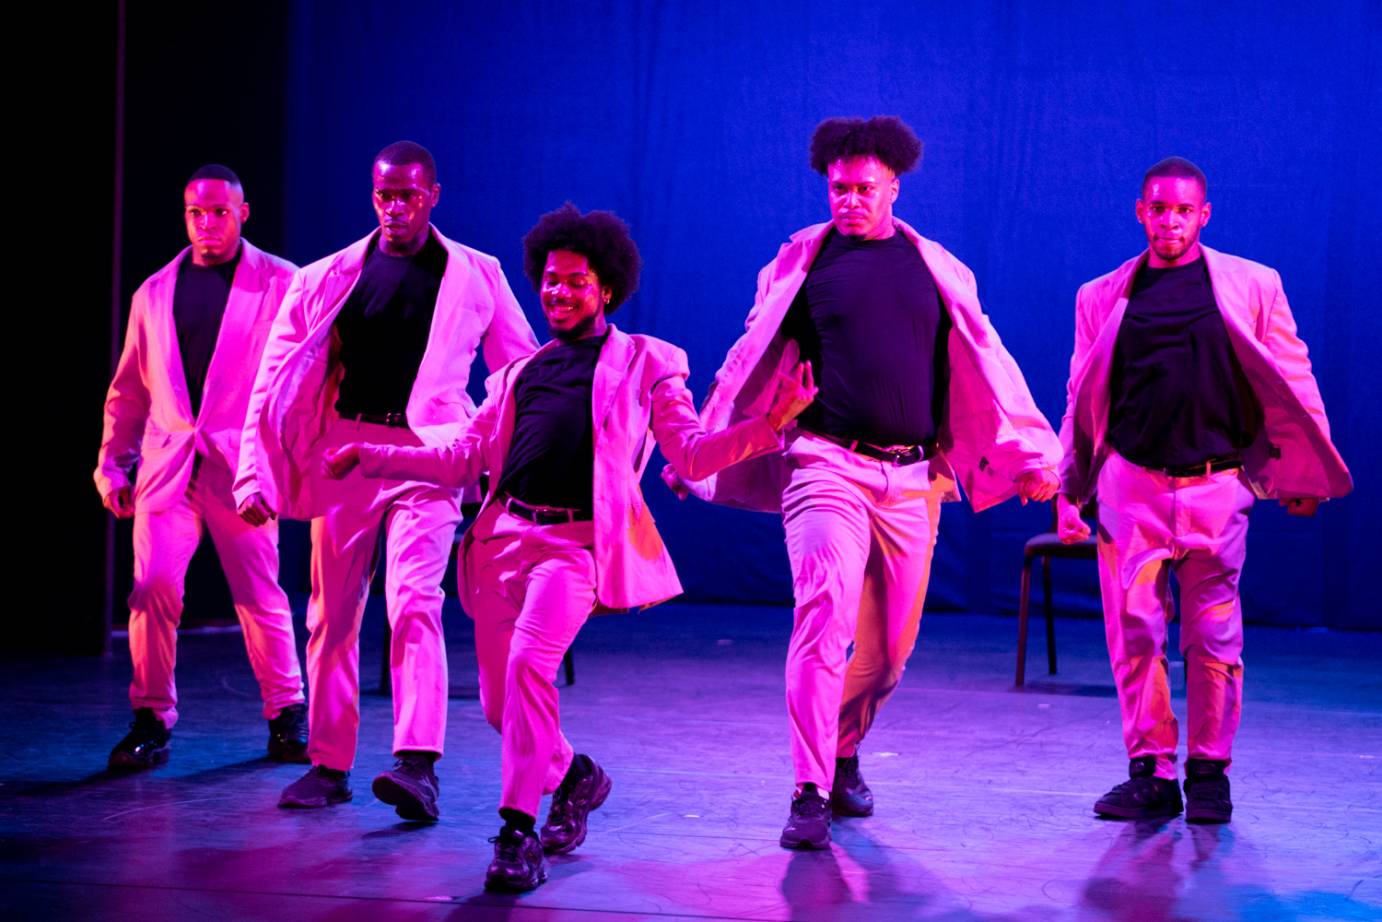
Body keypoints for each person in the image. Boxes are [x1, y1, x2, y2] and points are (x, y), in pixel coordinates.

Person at [325, 203, 816, 891]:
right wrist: (373, 453)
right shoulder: (517, 375)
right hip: (501, 544)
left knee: (530, 666)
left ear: (606, 288)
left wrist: (769, 425)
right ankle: (575, 774)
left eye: (575, 282)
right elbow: (463, 459)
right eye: (551, 281)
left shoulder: (646, 363)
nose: (558, 292)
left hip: (575, 546)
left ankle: (516, 834)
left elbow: (695, 454)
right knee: (502, 708)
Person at [667, 116, 1061, 849]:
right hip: (825, 465)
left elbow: (989, 366)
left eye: (864, 189)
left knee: (887, 654)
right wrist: (707, 451)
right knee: (823, 619)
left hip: (913, 478)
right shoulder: (801, 264)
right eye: (838, 188)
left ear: (894, 187)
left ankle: (843, 747)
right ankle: (810, 787)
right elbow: (746, 360)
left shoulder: (936, 266)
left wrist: (1031, 455)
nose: (848, 200)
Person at [234, 141, 538, 819]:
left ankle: (416, 763)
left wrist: (492, 451)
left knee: (414, 601)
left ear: (433, 195)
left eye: (407, 195)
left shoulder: (476, 274)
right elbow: (272, 383)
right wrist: (252, 476)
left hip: (428, 456)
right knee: (332, 613)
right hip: (346, 450)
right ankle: (329, 762)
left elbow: (520, 372)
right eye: (383, 196)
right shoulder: (326, 276)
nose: (395, 208)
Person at [1056, 156, 1351, 824]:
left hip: (1216, 484)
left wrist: (1306, 471)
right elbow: (1081, 395)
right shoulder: (1100, 295)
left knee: (1215, 639)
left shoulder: (1252, 285)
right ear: (1141, 212)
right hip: (1130, 482)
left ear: (1203, 214)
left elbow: (1293, 378)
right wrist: (1069, 487)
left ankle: (1209, 772)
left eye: (1182, 210)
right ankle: (1152, 772)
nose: (1169, 221)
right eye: (1158, 209)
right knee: (1134, 632)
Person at [96, 164, 307, 769]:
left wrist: (283, 462)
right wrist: (113, 465)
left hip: (242, 468)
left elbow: (302, 380)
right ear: (185, 215)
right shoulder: (154, 291)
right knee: (152, 587)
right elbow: (129, 389)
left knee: (259, 593)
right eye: (196, 212)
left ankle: (287, 712)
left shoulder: (280, 283)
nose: (207, 223)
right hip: (167, 468)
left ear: (244, 212)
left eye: (220, 211)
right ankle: (150, 719)